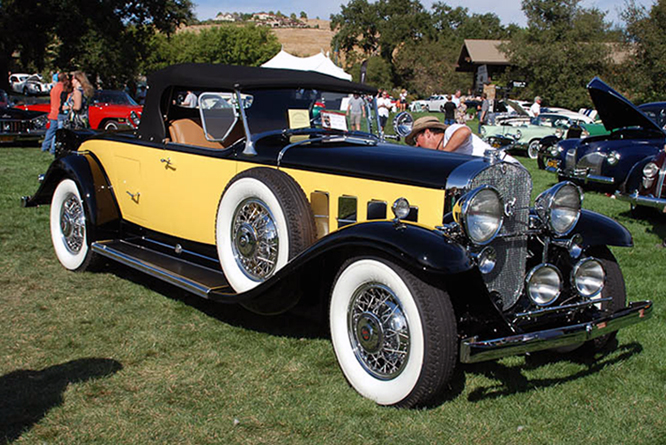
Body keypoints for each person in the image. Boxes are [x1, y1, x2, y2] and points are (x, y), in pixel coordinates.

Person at [41, 73, 65, 153]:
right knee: (57, 132)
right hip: (58, 112)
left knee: (51, 131)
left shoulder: (54, 88)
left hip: (53, 112)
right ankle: (52, 148)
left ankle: (45, 146)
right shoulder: (62, 89)